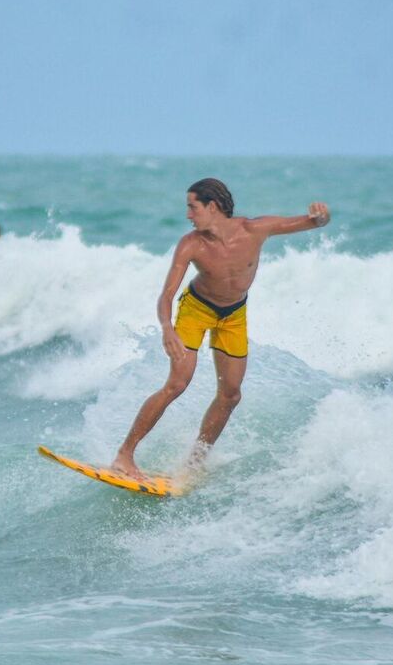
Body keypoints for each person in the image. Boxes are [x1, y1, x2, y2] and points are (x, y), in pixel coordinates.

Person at [111, 178, 330, 479]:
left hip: (234, 315)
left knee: (231, 394)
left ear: (212, 206)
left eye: (192, 207)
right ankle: (124, 455)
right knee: (177, 383)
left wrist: (321, 216)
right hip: (196, 309)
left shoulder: (254, 229)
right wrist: (167, 329)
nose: (188, 215)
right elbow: (166, 296)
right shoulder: (191, 244)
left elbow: (311, 223)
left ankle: (194, 464)